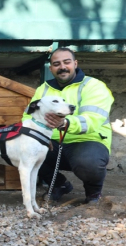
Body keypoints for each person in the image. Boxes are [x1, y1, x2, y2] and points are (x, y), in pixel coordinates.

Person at [22, 47, 113, 204]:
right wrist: (37, 137)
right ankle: (59, 185)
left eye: (66, 62)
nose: (62, 67)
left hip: (87, 141)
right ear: (51, 68)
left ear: (75, 63)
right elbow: (28, 116)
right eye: (56, 64)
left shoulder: (93, 86)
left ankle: (93, 193)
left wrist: (65, 123)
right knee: (24, 148)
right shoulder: (43, 89)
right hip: (53, 142)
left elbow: (93, 119)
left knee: (88, 162)